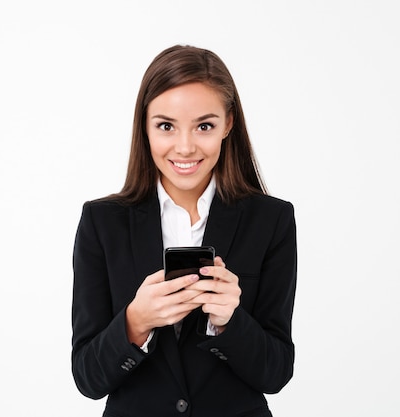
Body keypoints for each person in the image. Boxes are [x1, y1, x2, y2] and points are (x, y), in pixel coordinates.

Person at [71, 44, 297, 417]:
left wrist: (229, 322)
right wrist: (135, 321)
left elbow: (276, 372)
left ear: (228, 124)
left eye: (204, 126)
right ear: (144, 126)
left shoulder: (271, 220)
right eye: (166, 126)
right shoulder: (102, 222)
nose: (185, 147)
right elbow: (87, 377)